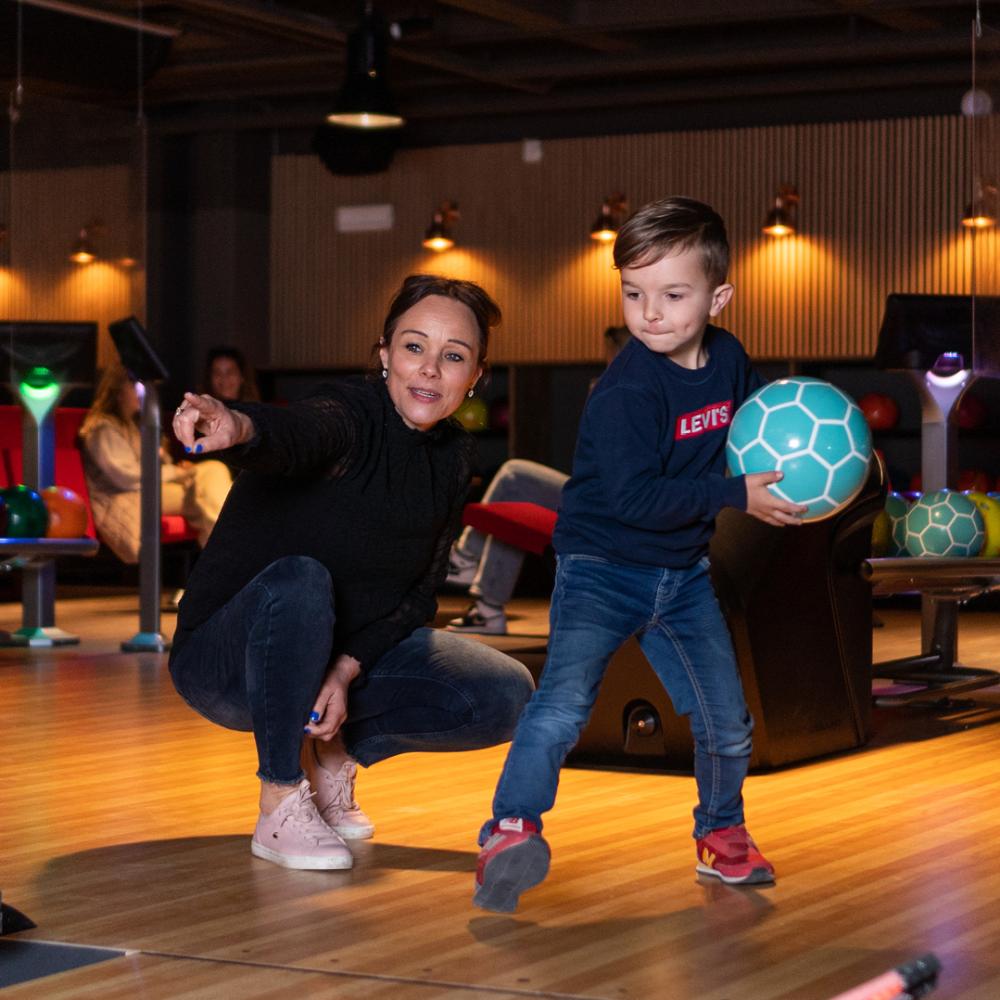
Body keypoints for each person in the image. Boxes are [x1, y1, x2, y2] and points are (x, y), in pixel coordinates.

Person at [472, 197, 808, 913]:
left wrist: (801, 472)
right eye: (633, 293)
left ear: (719, 297)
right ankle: (509, 829)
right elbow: (634, 500)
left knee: (727, 721)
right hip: (602, 567)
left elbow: (758, 438)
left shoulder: (732, 359)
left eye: (673, 294)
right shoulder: (627, 389)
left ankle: (722, 836)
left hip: (682, 576)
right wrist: (735, 496)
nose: (649, 312)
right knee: (562, 706)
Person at [168, 274, 535, 872]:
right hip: (226, 662)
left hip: (327, 660)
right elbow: (299, 432)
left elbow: (418, 597)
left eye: (453, 357)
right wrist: (239, 428)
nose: (429, 371)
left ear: (476, 377)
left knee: (505, 692)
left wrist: (344, 668)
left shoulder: (452, 457)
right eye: (414, 347)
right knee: (301, 579)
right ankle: (280, 796)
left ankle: (329, 757)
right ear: (385, 352)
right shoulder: (349, 414)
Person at [445, 326, 631, 635]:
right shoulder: (614, 391)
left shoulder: (636, 395)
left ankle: (467, 564)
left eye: (614, 356)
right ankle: (485, 605)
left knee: (515, 479)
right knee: (514, 489)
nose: (610, 362)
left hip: (610, 506)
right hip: (594, 492)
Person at [79, 362, 232, 564]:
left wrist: (172, 465)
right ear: (117, 391)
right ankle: (230, 558)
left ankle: (223, 561)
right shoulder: (102, 428)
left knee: (211, 482)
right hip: (126, 497)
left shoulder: (137, 425)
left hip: (147, 491)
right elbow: (127, 478)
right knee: (209, 480)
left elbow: (158, 465)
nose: (142, 390)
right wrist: (177, 473)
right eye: (135, 384)